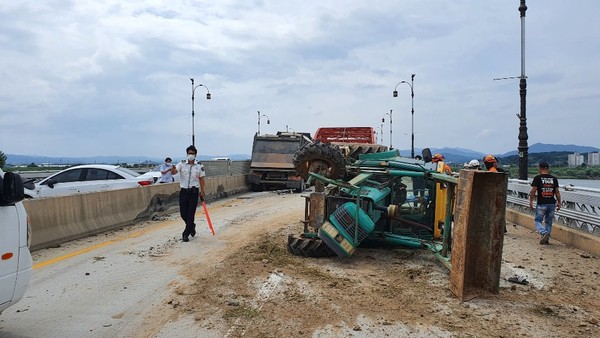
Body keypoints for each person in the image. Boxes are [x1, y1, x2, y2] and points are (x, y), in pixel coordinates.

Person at [171, 145, 206, 242]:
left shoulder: (199, 166)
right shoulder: (181, 164)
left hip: (194, 192)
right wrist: (172, 169)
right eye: (189, 153)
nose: (191, 155)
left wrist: (202, 190)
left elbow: (202, 179)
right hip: (183, 192)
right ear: (187, 154)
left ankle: (185, 233)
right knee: (183, 214)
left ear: (195, 155)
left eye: (192, 153)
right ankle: (191, 226)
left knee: (191, 214)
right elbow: (174, 172)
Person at [529, 162, 561, 245]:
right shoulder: (554, 179)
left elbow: (533, 191)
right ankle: (546, 240)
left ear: (540, 169)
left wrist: (531, 202)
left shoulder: (537, 178)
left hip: (541, 203)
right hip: (551, 203)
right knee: (549, 222)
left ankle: (543, 233)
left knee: (537, 220)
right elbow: (557, 192)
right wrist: (559, 203)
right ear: (548, 169)